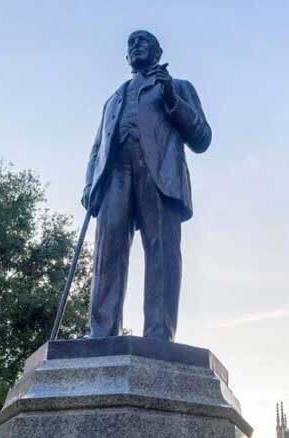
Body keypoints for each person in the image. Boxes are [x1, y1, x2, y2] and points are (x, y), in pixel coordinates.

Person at [82, 30, 211, 341]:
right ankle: (101, 332)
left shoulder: (178, 86)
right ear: (127, 56)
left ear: (158, 52)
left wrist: (172, 99)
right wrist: (89, 185)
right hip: (115, 175)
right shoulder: (114, 99)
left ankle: (158, 334)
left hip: (160, 175)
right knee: (107, 252)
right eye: (131, 43)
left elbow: (202, 138)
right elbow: (98, 147)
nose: (136, 45)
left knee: (162, 253)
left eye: (143, 41)